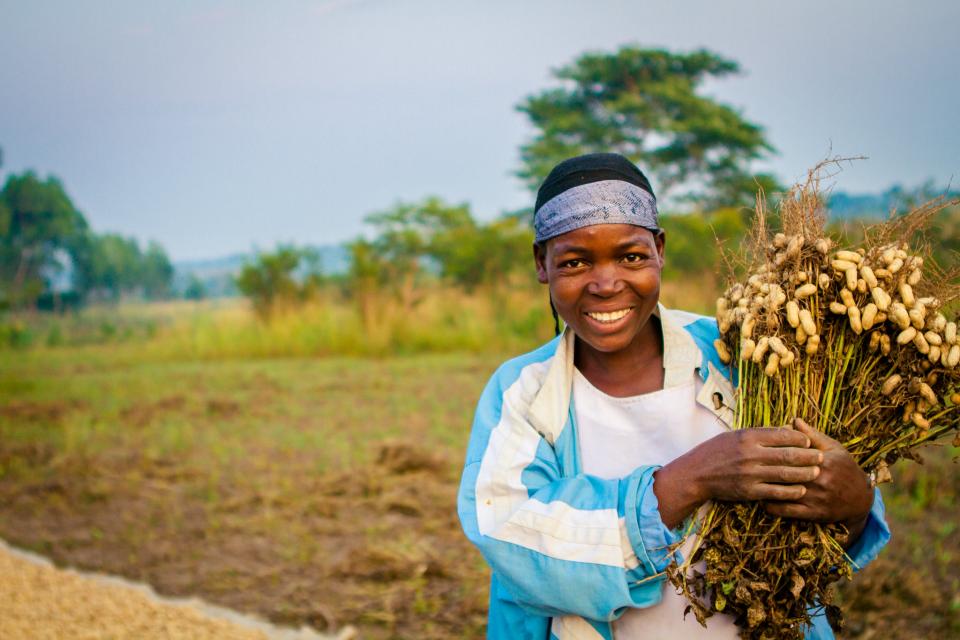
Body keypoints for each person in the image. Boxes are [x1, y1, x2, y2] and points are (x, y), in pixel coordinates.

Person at [456, 153, 890, 640]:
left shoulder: (747, 353)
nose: (606, 284)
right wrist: (690, 479)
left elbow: (822, 540)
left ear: (660, 250)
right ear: (542, 264)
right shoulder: (524, 392)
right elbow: (512, 539)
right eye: (575, 262)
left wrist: (855, 503)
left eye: (631, 257)